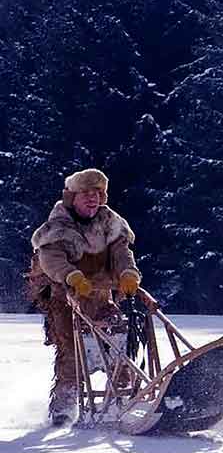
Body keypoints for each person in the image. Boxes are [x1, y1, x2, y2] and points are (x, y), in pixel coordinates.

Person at [26, 168, 142, 426]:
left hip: (99, 295)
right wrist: (72, 276)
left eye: (98, 193)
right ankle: (64, 408)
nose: (93, 198)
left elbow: (122, 253)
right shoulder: (57, 226)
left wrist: (128, 273)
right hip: (64, 296)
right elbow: (50, 259)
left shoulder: (110, 223)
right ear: (72, 197)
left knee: (117, 339)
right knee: (71, 350)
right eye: (86, 193)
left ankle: (124, 397)